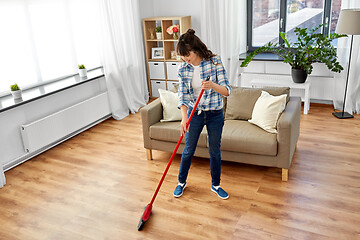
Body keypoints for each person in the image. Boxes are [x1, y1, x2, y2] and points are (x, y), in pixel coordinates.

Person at [173, 29, 231, 200]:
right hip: (194, 113)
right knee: (188, 149)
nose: (185, 58)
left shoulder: (214, 62)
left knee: (215, 151)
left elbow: (227, 91)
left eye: (187, 54)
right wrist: (184, 118)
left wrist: (211, 85)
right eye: (182, 55)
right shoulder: (183, 69)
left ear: (196, 49)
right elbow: (182, 95)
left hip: (214, 113)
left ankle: (216, 185)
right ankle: (181, 182)